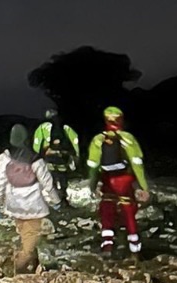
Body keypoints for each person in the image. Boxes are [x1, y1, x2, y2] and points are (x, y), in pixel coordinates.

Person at [0, 124, 61, 273]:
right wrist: (56, 200)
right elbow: (47, 183)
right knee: (29, 241)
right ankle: (19, 271)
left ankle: (33, 268)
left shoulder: (3, 159)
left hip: (14, 204)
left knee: (25, 235)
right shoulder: (35, 159)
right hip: (34, 205)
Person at [86, 106, 150, 260]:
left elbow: (93, 166)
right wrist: (143, 187)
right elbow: (137, 164)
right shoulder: (128, 139)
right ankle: (135, 251)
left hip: (107, 180)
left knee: (107, 212)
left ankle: (107, 248)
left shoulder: (98, 140)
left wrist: (93, 185)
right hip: (125, 181)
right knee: (129, 214)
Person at [31, 108, 81, 204]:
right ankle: (64, 198)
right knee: (63, 177)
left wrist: (37, 154)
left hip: (49, 157)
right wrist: (76, 154)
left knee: (51, 177)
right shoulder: (65, 127)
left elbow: (36, 143)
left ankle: (55, 199)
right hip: (62, 157)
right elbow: (75, 140)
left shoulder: (42, 127)